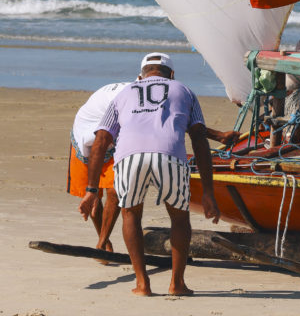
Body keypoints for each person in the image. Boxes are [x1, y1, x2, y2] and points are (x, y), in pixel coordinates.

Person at [78, 52, 225, 297]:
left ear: (140, 76)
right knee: (179, 218)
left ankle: (142, 284)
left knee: (131, 214)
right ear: (172, 75)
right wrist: (208, 192)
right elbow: (199, 138)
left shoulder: (123, 94)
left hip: (129, 157)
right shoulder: (184, 90)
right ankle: (177, 284)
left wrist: (91, 191)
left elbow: (101, 140)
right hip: (170, 154)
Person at [68, 81, 130, 253]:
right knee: (92, 196)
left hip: (114, 136)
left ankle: (102, 242)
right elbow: (100, 142)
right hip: (86, 134)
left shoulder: (148, 93)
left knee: (115, 190)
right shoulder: (129, 96)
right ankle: (104, 241)